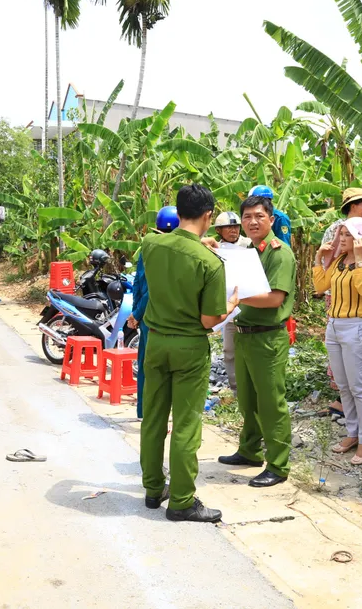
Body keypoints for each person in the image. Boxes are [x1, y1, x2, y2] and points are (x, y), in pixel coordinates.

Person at [140, 185, 237, 522]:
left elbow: (175, 246)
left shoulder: (150, 244)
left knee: (153, 418)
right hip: (189, 347)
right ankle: (181, 500)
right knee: (185, 424)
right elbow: (209, 320)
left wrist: (198, 243)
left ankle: (153, 489)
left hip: (155, 342)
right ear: (208, 216)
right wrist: (231, 306)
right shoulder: (210, 263)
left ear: (177, 210)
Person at [218, 195, 297, 487]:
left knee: (271, 403)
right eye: (247, 217)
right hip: (244, 334)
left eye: (259, 216)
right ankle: (250, 450)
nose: (252, 222)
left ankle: (278, 464)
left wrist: (234, 299)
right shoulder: (247, 252)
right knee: (248, 399)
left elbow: (276, 297)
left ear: (271, 220)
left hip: (267, 339)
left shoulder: (279, 253)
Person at [313, 218, 362, 465]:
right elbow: (321, 286)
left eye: (347, 235)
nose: (340, 238)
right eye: (340, 234)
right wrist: (318, 260)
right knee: (343, 385)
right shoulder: (338, 262)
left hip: (357, 327)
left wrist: (360, 258)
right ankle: (352, 433)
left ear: (360, 238)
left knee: (359, 387)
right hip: (334, 326)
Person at [321, 187, 362, 417]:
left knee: (354, 364)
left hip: (355, 305)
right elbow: (330, 262)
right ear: (353, 205)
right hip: (338, 291)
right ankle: (343, 396)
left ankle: (358, 422)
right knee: (341, 352)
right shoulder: (341, 229)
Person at [130, 206, 180, 420]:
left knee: (147, 365)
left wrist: (135, 314)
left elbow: (139, 284)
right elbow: (149, 289)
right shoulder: (176, 252)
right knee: (159, 368)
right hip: (160, 317)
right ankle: (154, 410)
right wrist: (137, 313)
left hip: (148, 317)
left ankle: (145, 409)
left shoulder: (148, 248)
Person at [211, 211, 250, 393]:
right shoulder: (215, 249)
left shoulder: (249, 245)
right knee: (229, 350)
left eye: (235, 227)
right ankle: (236, 389)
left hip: (248, 303)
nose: (233, 231)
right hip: (228, 305)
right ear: (219, 230)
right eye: (228, 227)